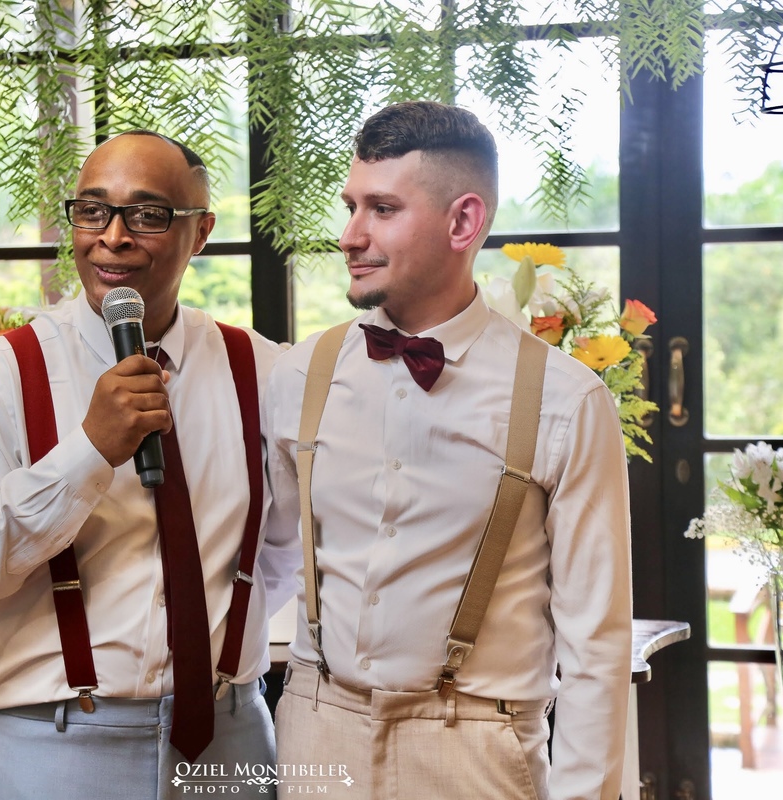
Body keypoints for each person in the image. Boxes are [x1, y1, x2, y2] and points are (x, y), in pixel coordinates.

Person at [0, 130, 300, 799]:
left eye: (146, 215)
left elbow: (279, 554)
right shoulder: (1, 376)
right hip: (52, 749)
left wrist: (216, 646)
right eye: (92, 211)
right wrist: (87, 453)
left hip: (227, 742)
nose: (112, 237)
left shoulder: (259, 368)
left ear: (201, 233)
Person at [265, 101, 632, 800]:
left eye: (382, 209)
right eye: (351, 207)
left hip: (476, 748)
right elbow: (274, 558)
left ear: (463, 222)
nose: (349, 235)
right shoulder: (298, 375)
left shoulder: (565, 399)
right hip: (315, 732)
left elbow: (597, 644)